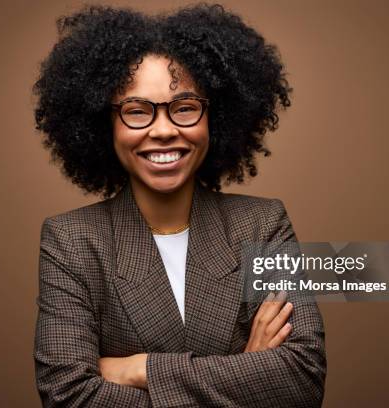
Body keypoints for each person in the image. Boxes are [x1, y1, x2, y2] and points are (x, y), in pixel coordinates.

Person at [32, 3, 326, 407]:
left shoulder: (263, 224)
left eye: (185, 107)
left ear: (215, 118)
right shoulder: (72, 241)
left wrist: (140, 369)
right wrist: (244, 370)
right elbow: (69, 396)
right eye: (137, 111)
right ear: (105, 125)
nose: (165, 130)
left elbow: (302, 379)